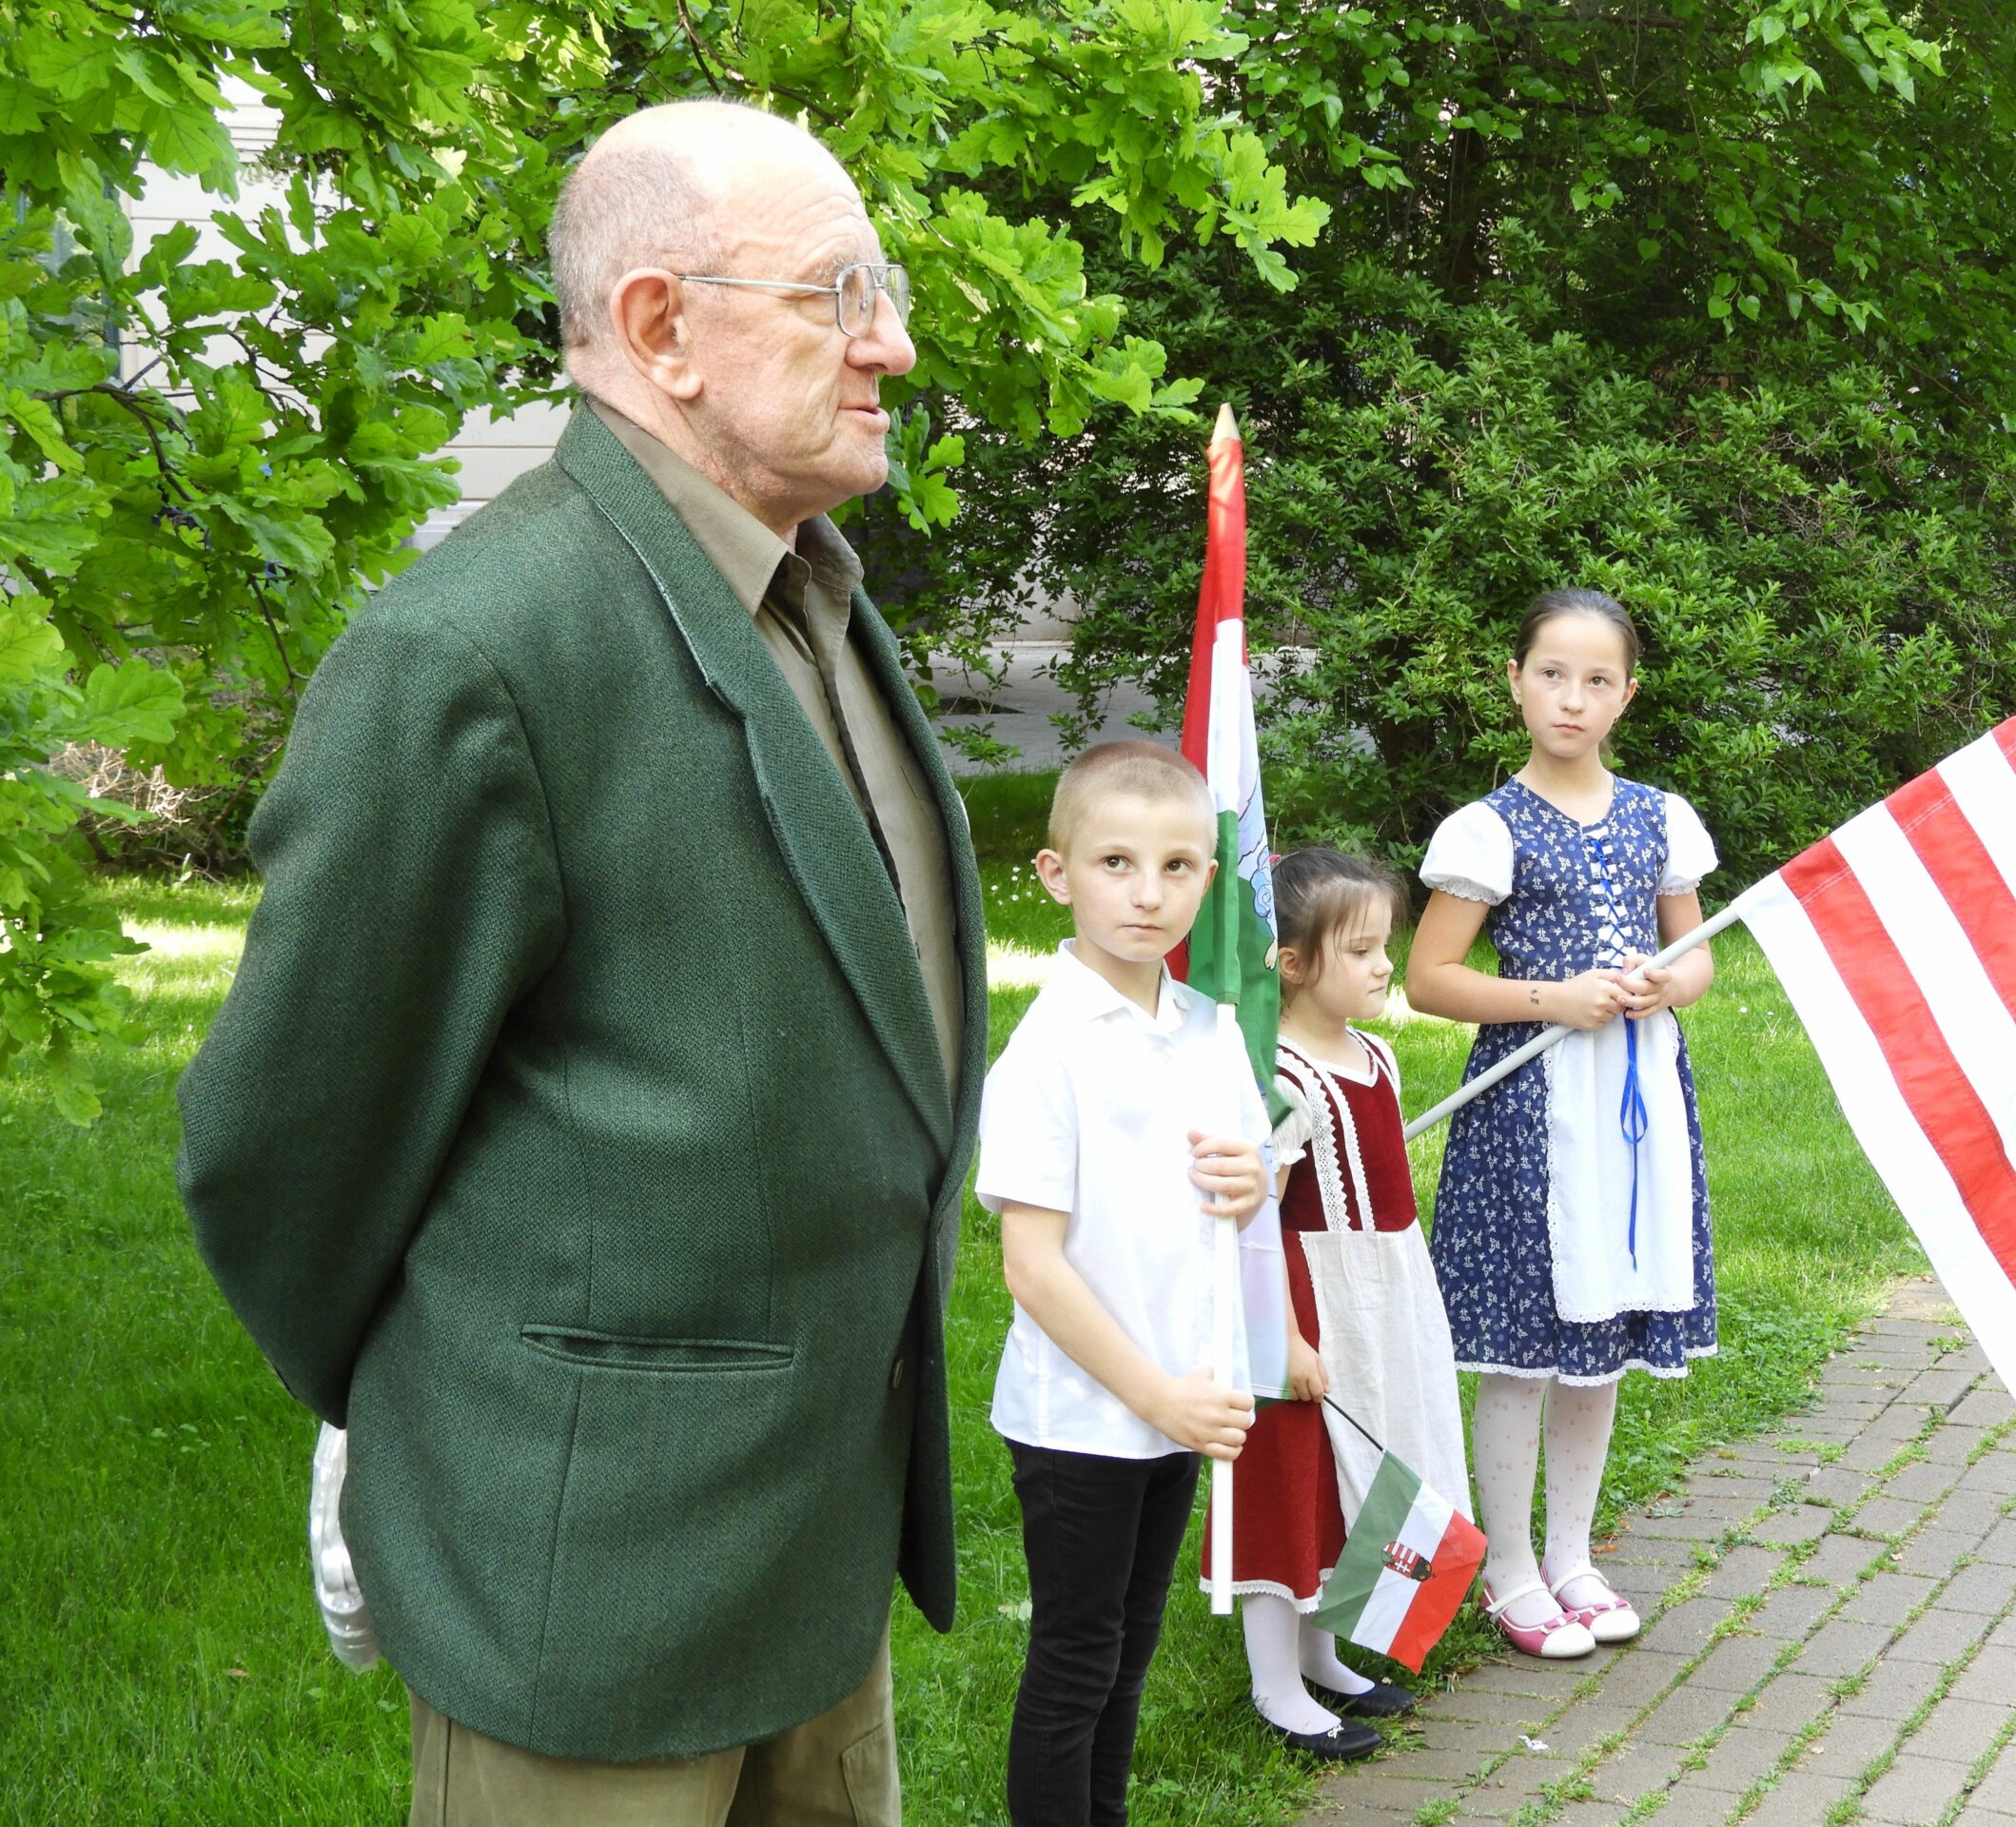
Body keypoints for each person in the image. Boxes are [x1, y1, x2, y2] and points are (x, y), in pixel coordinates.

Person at [175, 99, 984, 1825]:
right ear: (659, 331)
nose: (891, 344)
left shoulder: (813, 600)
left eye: (883, 288)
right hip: (585, 1595)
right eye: (839, 293)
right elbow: (287, 1150)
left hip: (811, 1564)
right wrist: (440, 1416)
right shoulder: (474, 650)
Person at [1405, 588, 1720, 1660]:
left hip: (1634, 1103)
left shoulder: (1657, 816)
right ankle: (1508, 1568)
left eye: (1595, 681)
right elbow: (1429, 980)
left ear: (1626, 695)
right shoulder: (1486, 830)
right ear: (1515, 680)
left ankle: (1574, 1556)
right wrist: (1554, 997)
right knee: (1525, 1345)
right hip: (1531, 1110)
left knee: (1600, 1341)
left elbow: (1699, 958)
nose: (1571, 699)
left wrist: (1655, 987)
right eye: (1551, 674)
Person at [975, 740, 1272, 1827]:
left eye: (1178, 867)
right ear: (1057, 875)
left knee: (1128, 1655)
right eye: (1114, 863)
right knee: (1074, 1662)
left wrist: (1255, 1176)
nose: (1148, 894)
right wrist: (1155, 1399)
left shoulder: (1207, 1028)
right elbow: (1033, 1268)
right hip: (1088, 1417)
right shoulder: (1047, 1054)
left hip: (1176, 1402)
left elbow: (1240, 1184)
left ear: (1207, 874)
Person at [1201, 848, 1469, 1754]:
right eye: (1360, 951)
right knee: (1291, 1482)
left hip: (1382, 1292)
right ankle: (1276, 1685)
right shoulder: (1276, 1078)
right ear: (1293, 963)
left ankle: (1326, 1657)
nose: (1384, 965)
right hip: (1305, 1302)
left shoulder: (1376, 1054)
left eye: (1383, 946)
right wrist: (1281, 1338)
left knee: (1357, 1475)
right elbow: (1255, 1222)